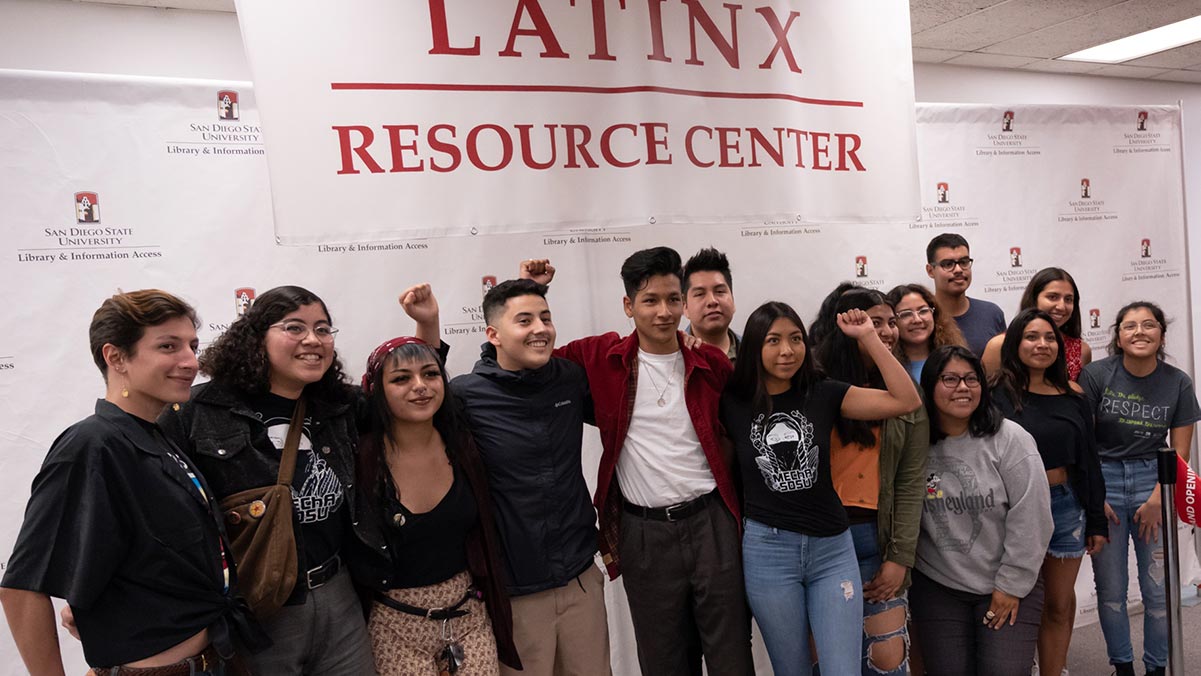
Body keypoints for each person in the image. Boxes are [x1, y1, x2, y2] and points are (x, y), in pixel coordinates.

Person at [160, 285, 438, 674]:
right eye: (295, 328)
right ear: (257, 338)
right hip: (259, 605)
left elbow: (414, 394)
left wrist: (427, 325)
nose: (312, 340)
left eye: (323, 329)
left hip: (338, 592)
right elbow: (154, 509)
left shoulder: (338, 406)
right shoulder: (197, 412)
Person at [1, 290, 266, 674]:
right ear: (116, 357)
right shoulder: (92, 444)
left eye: (192, 346)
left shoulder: (156, 436)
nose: (190, 361)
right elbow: (21, 589)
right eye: (168, 346)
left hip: (214, 658)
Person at [526, 249, 756, 675]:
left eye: (673, 299)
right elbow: (533, 360)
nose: (664, 312)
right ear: (629, 306)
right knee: (662, 660)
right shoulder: (601, 358)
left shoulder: (710, 363)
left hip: (712, 525)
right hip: (644, 533)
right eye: (650, 300)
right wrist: (533, 291)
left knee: (732, 658)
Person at [722, 301, 921, 676]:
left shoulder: (823, 392)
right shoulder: (733, 401)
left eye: (796, 338)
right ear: (754, 347)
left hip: (831, 550)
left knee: (842, 670)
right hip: (768, 552)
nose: (787, 350)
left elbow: (905, 400)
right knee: (793, 670)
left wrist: (869, 336)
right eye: (774, 340)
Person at [450, 278, 611, 676]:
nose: (540, 328)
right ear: (493, 335)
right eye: (524, 320)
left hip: (580, 579)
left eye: (546, 318)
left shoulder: (569, 378)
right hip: (516, 591)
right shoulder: (466, 396)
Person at [352, 337, 520, 675]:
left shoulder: (462, 444)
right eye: (401, 378)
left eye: (430, 374)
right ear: (377, 390)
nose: (420, 386)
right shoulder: (363, 458)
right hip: (395, 626)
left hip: (469, 616)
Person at [910, 345, 1051, 676]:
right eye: (950, 379)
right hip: (939, 584)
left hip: (1007, 580)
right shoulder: (914, 443)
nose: (963, 387)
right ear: (929, 386)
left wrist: (1010, 585)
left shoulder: (1010, 439)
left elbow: (1032, 518)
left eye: (971, 379)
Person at [1080, 302, 1201, 676]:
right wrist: (1095, 496)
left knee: (1158, 591)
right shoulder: (1095, 375)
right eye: (1130, 326)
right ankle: (1122, 668)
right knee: (1111, 590)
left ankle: (1156, 668)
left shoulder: (1178, 382)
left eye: (1149, 325)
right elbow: (1083, 442)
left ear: (1161, 335)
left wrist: (1158, 498)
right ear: (1118, 336)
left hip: (1156, 478)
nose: (1139, 332)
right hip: (1105, 481)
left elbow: (1180, 452)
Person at [813, 289, 929, 675]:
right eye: (873, 322)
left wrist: (900, 557)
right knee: (827, 659)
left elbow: (911, 482)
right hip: (820, 541)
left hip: (874, 541)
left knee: (886, 658)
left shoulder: (905, 392)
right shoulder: (814, 385)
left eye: (890, 322)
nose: (887, 331)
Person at [989, 308, 1106, 676]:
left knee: (1057, 604)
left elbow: (1088, 460)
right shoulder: (993, 395)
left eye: (1049, 338)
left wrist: (1096, 520)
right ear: (1014, 343)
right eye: (1031, 337)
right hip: (1011, 508)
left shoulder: (1073, 396)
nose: (1042, 344)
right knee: (1016, 598)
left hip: (1066, 507)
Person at [982, 267, 1093, 380]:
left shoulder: (1081, 350)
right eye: (1052, 297)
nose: (1061, 306)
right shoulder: (999, 345)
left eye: (1068, 299)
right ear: (1034, 299)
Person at [924, 233, 1005, 356]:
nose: (958, 270)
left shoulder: (992, 313)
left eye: (964, 262)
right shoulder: (922, 319)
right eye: (948, 264)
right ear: (930, 271)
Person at [884, 283, 966, 382]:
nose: (917, 320)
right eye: (906, 314)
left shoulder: (958, 359)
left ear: (934, 314)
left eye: (923, 311)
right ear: (892, 322)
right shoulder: (883, 367)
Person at [682, 246, 739, 361]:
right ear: (685, 307)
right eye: (700, 294)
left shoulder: (755, 352)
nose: (712, 301)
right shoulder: (673, 356)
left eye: (720, 291)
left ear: (733, 300)